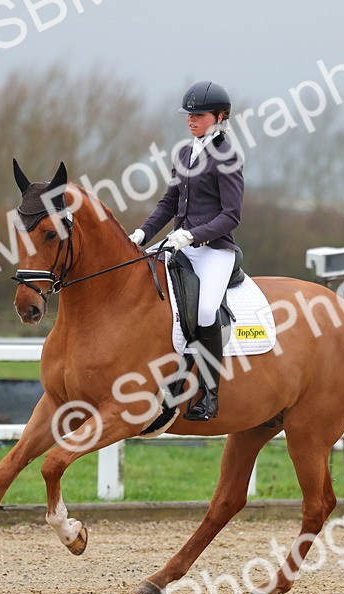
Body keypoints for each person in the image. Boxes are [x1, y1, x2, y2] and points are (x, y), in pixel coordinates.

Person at [129, 80, 244, 422]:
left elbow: (231, 216)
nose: (191, 120)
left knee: (206, 311)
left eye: (200, 114)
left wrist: (192, 235)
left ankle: (209, 394)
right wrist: (141, 233)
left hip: (214, 251)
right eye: (189, 114)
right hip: (180, 245)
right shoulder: (183, 152)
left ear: (220, 117)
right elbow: (169, 202)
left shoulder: (228, 157)